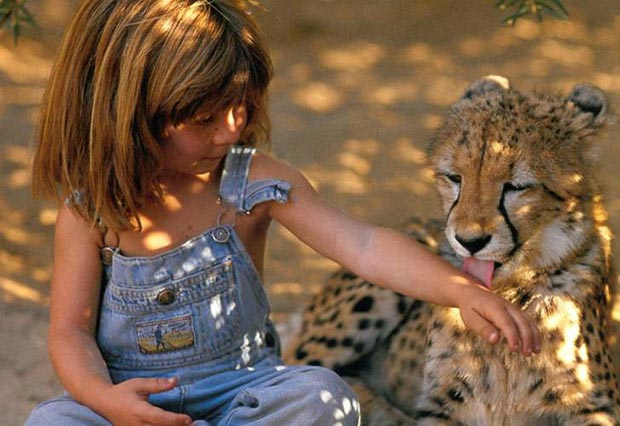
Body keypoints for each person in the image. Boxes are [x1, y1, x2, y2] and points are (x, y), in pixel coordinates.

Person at [26, 1, 541, 425]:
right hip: (126, 403)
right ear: (129, 113)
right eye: (205, 118)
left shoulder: (255, 182)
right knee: (53, 422)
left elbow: (362, 245)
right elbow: (70, 330)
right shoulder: (91, 210)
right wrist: (105, 399)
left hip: (242, 399)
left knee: (323, 396)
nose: (230, 131)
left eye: (241, 107)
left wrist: (457, 289)